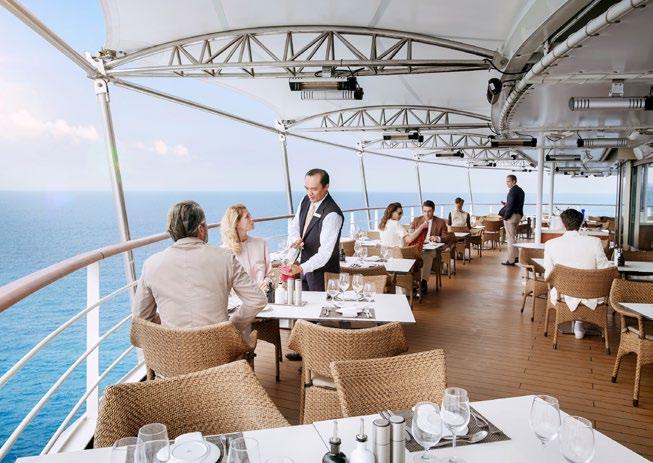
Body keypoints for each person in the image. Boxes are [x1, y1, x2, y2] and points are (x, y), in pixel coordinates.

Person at [133, 200, 267, 338]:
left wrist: (168, 328)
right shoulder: (225, 258)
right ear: (201, 228)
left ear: (171, 231)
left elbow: (140, 318)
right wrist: (232, 326)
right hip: (219, 345)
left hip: (173, 349)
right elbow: (257, 300)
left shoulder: (151, 265)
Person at [286, 169, 344, 360]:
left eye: (314, 189)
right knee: (304, 311)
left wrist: (302, 268)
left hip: (323, 271)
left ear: (326, 187)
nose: (309, 193)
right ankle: (305, 353)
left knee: (322, 315)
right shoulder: (305, 201)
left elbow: (325, 254)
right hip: (305, 265)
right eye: (306, 188)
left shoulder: (332, 214)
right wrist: (295, 239)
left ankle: (322, 359)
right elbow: (295, 225)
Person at [542, 208, 612, 339]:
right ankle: (579, 323)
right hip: (592, 294)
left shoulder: (550, 244)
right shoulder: (594, 242)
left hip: (563, 295)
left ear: (563, 224)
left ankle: (576, 321)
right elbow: (605, 270)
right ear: (580, 223)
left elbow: (548, 276)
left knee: (563, 289)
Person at [407, 200, 455, 295]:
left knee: (427, 255)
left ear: (433, 211)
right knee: (408, 255)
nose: (427, 214)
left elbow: (446, 237)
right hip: (418, 248)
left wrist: (437, 238)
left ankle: (423, 282)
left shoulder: (440, 222)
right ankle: (411, 283)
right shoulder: (416, 220)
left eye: (429, 211)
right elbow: (410, 234)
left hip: (432, 250)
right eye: (425, 211)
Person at [221, 203, 272, 290]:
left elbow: (269, 274)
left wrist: (266, 283)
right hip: (238, 297)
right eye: (247, 217)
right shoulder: (224, 251)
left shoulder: (261, 243)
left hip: (262, 294)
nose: (252, 219)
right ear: (236, 223)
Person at [499, 174, 525, 266]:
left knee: (510, 238)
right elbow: (515, 203)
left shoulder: (512, 191)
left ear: (514, 181)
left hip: (511, 216)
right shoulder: (521, 190)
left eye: (508, 181)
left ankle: (511, 260)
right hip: (518, 215)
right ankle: (516, 257)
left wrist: (505, 217)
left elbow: (511, 206)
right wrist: (507, 204)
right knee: (513, 237)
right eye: (506, 181)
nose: (507, 183)